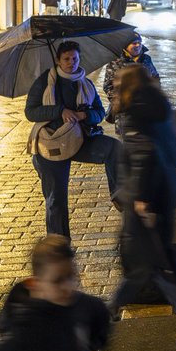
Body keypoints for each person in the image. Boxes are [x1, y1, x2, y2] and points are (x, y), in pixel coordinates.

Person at [0, 236, 141, 351]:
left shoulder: (80, 304)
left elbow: (97, 314)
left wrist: (90, 346)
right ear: (36, 284)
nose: (68, 287)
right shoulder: (22, 331)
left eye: (71, 277)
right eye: (58, 281)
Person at [107, 66, 176, 317]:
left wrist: (141, 199)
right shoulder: (157, 105)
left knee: (151, 264)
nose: (114, 88)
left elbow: (143, 155)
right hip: (164, 190)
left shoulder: (136, 112)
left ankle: (110, 311)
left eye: (117, 84)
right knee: (155, 264)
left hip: (146, 200)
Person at [25, 41, 121, 239]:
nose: (71, 63)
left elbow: (99, 112)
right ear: (58, 60)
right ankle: (59, 245)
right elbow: (31, 111)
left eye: (75, 58)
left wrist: (84, 116)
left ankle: (120, 195)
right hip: (52, 143)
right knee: (56, 199)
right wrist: (60, 111)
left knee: (113, 148)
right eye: (66, 59)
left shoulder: (84, 82)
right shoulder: (45, 81)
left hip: (80, 139)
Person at [102, 33, 159, 115]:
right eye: (134, 43)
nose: (138, 45)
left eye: (139, 42)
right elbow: (109, 86)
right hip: (125, 111)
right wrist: (123, 104)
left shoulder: (146, 59)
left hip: (148, 108)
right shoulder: (115, 62)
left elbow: (155, 77)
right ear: (126, 45)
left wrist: (155, 96)